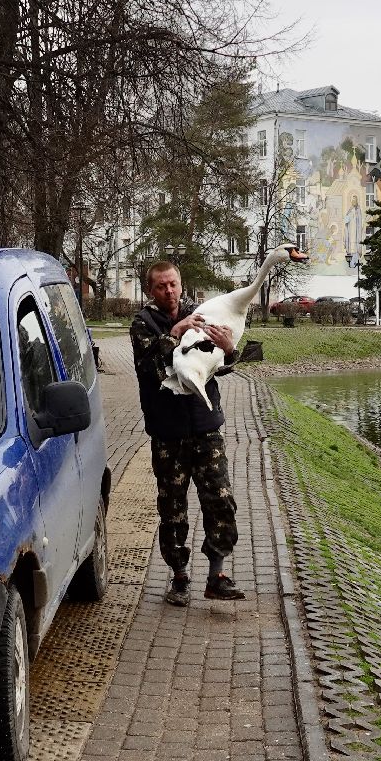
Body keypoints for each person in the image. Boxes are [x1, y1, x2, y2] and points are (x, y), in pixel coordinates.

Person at [130, 259, 244, 607]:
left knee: (220, 501)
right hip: (168, 435)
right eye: (161, 286)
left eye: (173, 284)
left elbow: (216, 368)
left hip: (205, 429)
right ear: (151, 289)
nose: (169, 291)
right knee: (173, 508)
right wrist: (175, 332)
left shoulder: (204, 313)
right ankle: (179, 578)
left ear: (181, 284)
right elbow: (150, 367)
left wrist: (229, 350)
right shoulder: (142, 323)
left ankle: (217, 576)